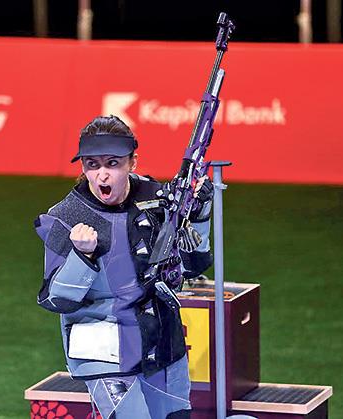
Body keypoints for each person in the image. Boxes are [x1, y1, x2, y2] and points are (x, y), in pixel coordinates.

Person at [34, 115, 213, 418]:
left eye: (113, 163)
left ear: (133, 162)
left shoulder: (158, 199)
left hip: (162, 342)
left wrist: (199, 216)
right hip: (102, 350)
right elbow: (55, 299)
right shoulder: (64, 217)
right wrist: (82, 257)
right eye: (92, 165)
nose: (102, 175)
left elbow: (193, 265)